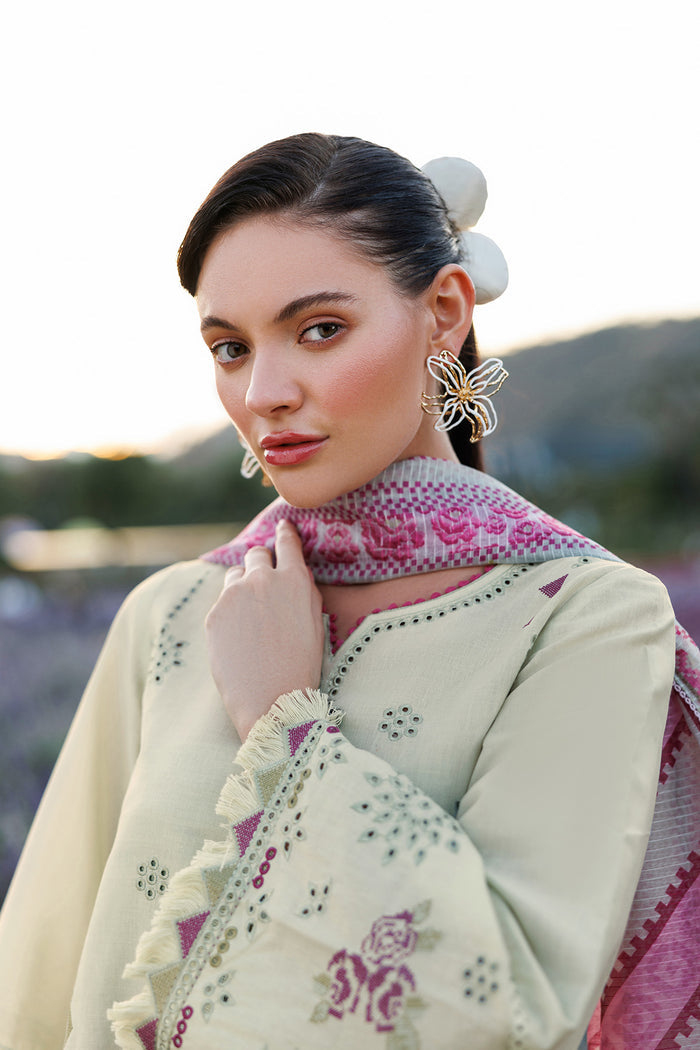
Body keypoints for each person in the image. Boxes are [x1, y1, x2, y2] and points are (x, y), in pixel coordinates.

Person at [0, 134, 698, 1050]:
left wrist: (283, 728)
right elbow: (34, 986)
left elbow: (509, 1007)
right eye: (230, 347)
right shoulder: (169, 616)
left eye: (320, 329)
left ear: (444, 313)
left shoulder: (586, 619)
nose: (264, 391)